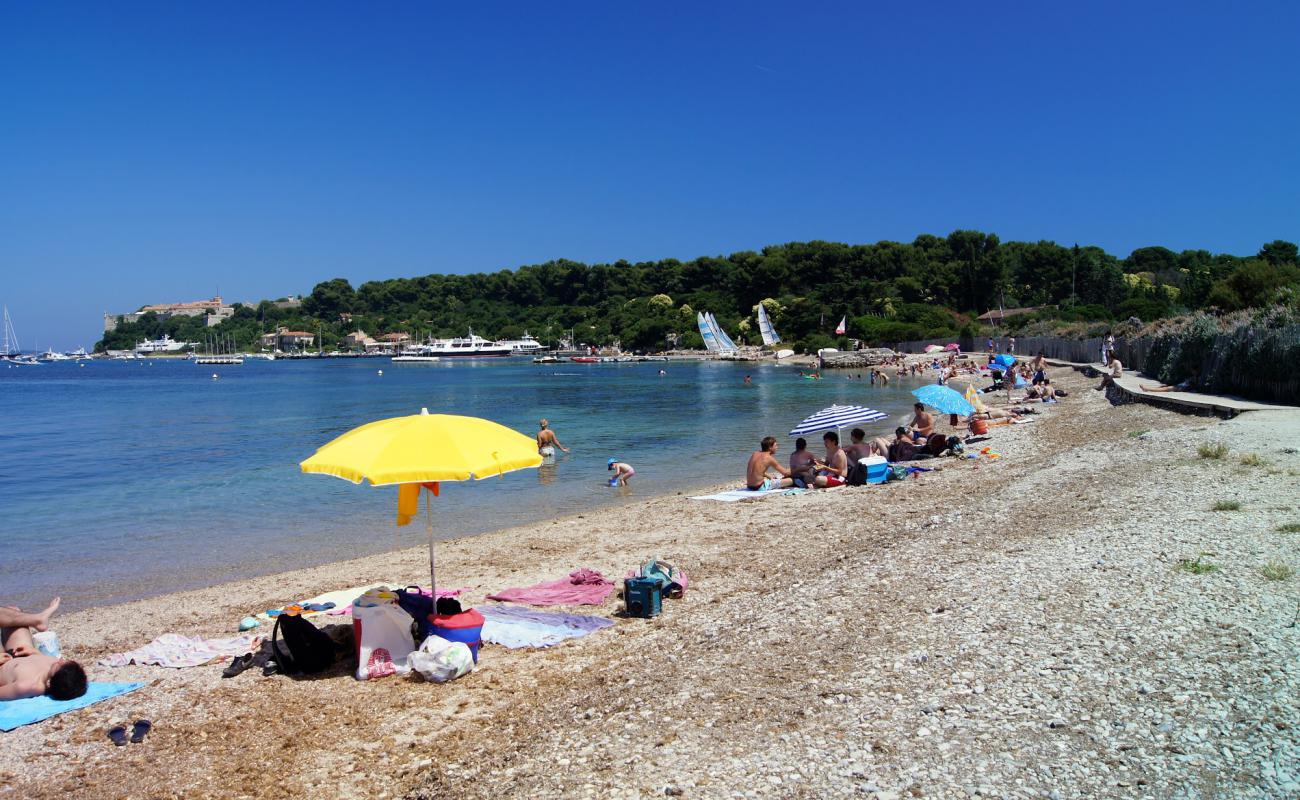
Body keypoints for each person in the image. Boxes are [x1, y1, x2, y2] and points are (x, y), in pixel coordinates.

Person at [1, 598, 87, 701]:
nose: (60, 660)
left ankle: (38, 620)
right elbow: (39, 662)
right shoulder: (55, 664)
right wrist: (34, 652)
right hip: (20, 653)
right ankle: (38, 620)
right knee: (13, 610)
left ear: (51, 681)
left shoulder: (28, 686)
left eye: (61, 664)